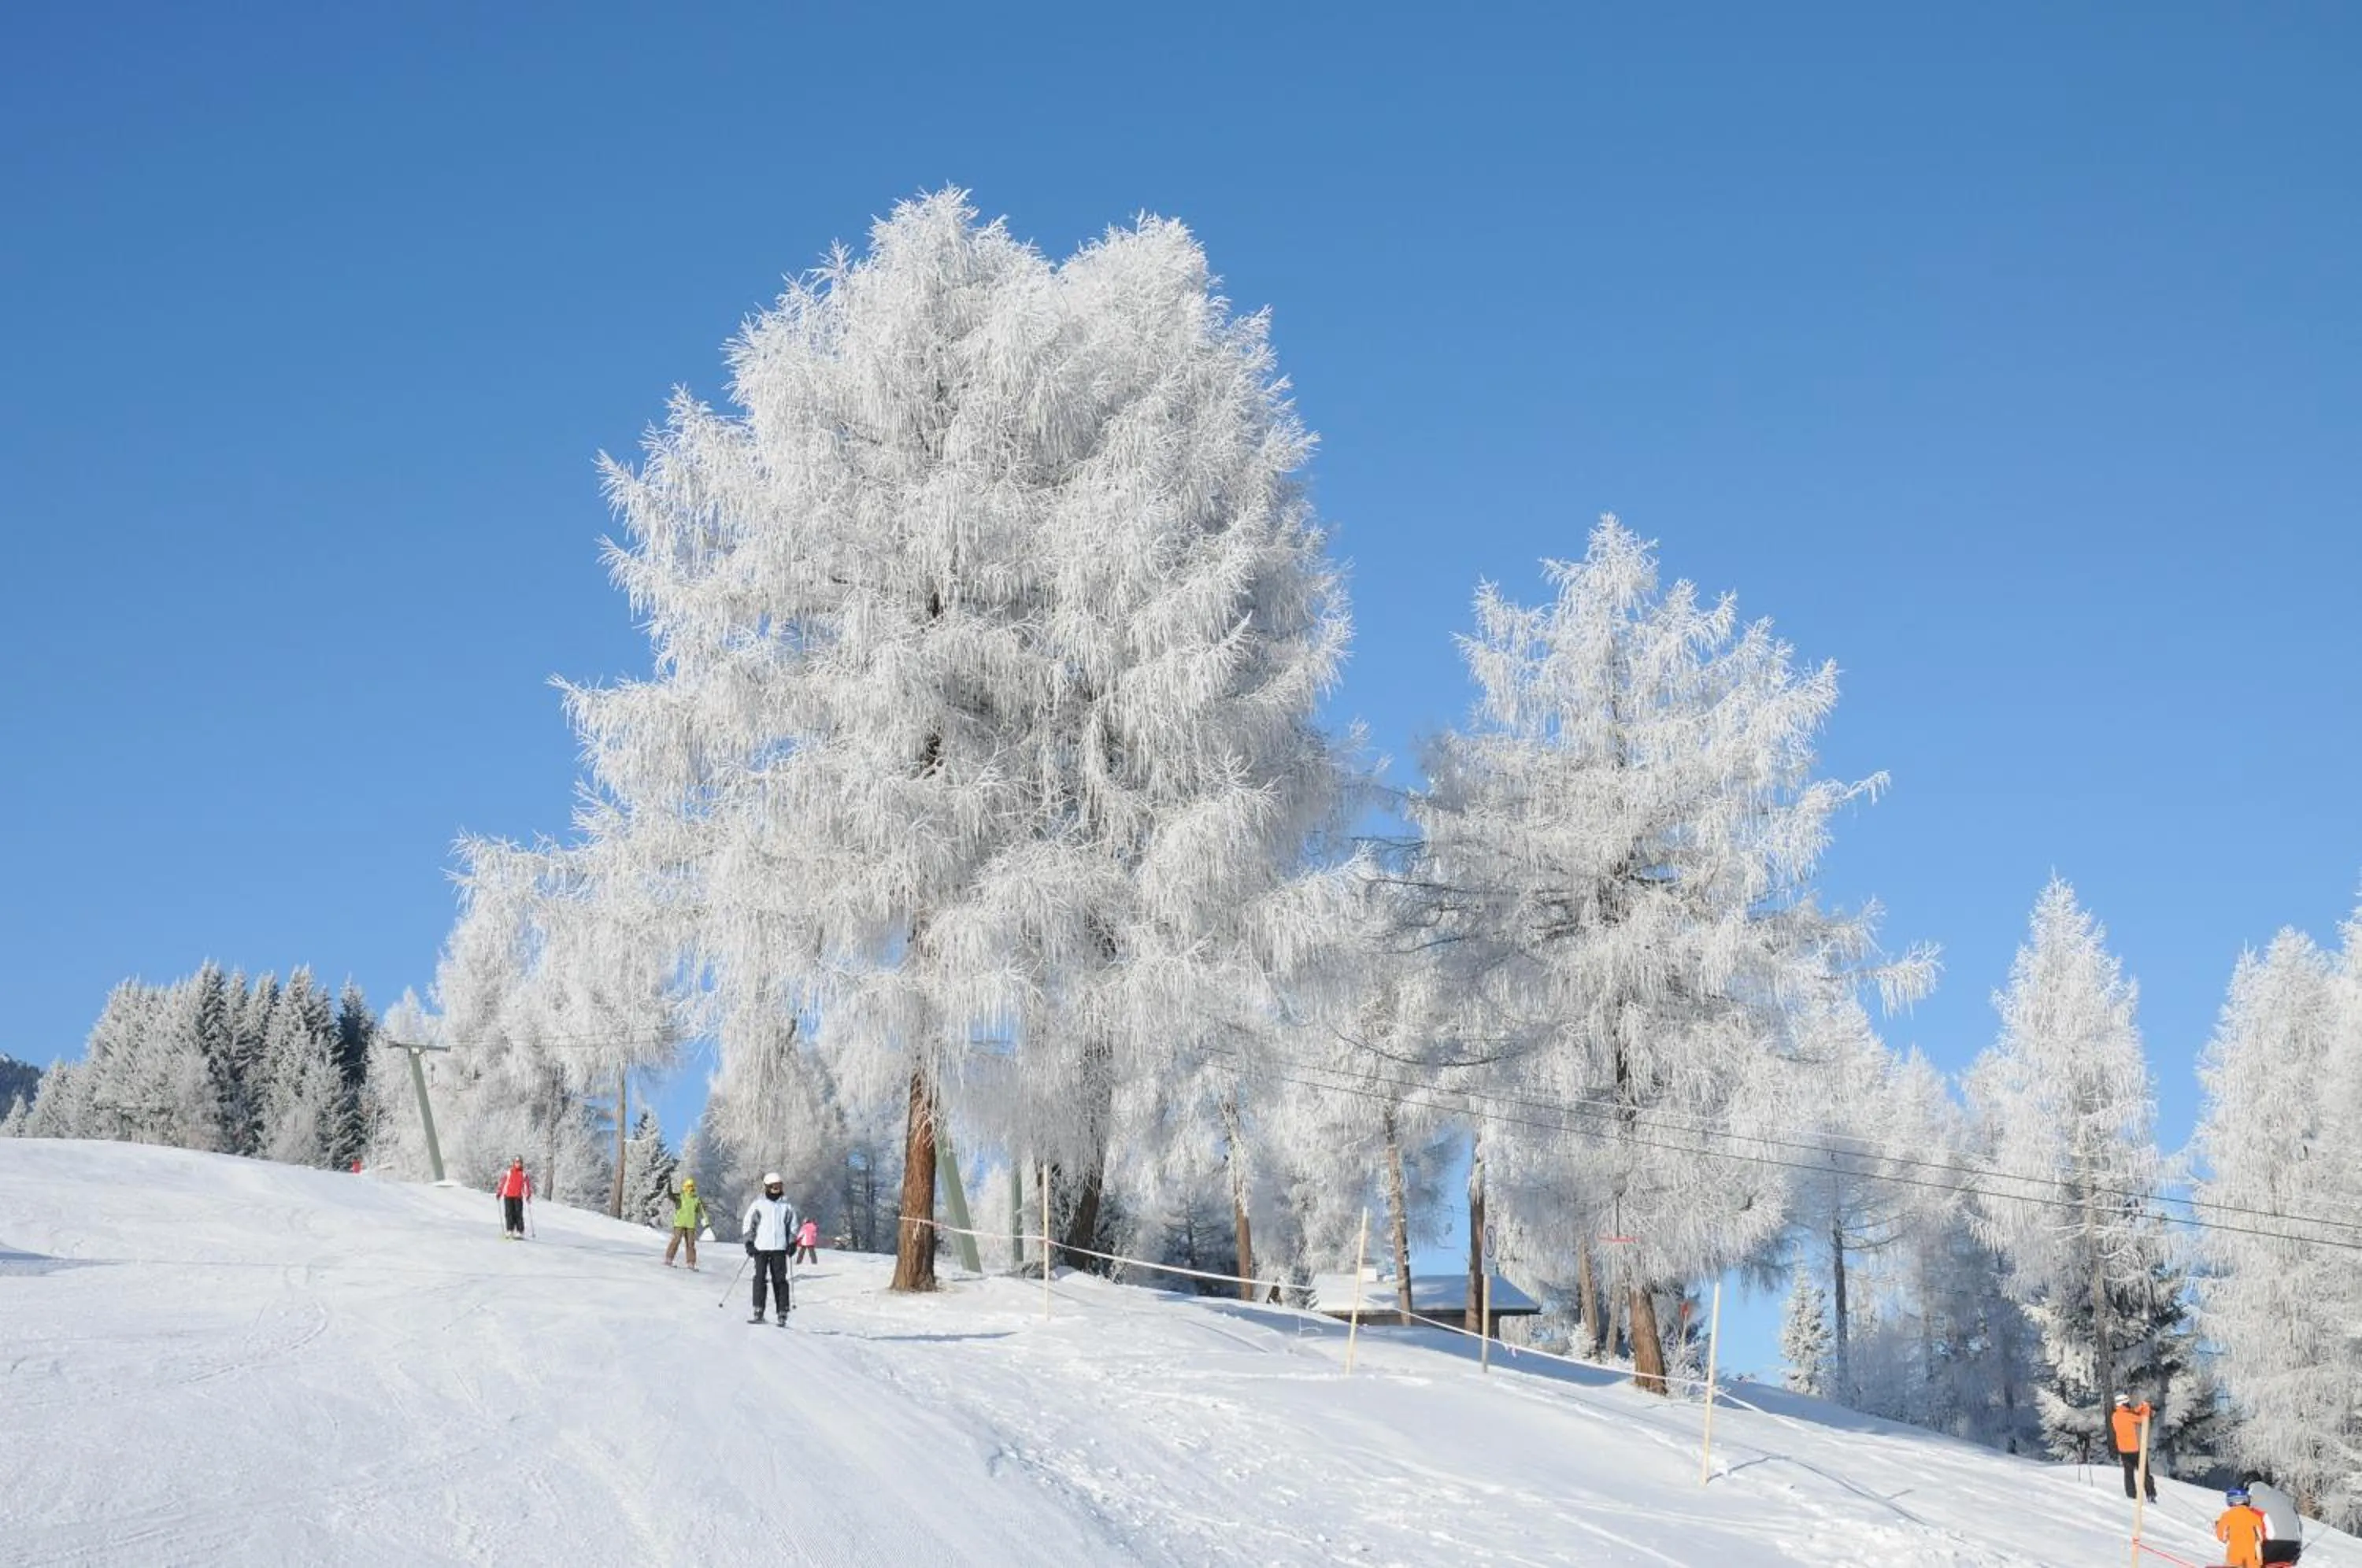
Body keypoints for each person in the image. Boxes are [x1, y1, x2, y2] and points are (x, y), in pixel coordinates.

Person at [742, 1173, 798, 1326]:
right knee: (760, 1278)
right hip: (760, 1248)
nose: (776, 1189)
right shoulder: (758, 1204)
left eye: (779, 1186)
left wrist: (792, 1243)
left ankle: (782, 1312)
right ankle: (758, 1310)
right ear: (767, 1187)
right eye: (773, 1186)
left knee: (780, 1280)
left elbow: (793, 1225)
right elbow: (748, 1223)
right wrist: (749, 1243)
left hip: (779, 1248)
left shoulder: (786, 1206)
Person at [2109, 1393, 2156, 1502]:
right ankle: (2151, 1494)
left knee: (2128, 1474)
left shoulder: (2115, 1416)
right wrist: (2147, 1409)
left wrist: (2141, 1407)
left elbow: (2131, 1412)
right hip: (2135, 1450)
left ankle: (2131, 1496)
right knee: (2144, 1472)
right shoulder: (2128, 1416)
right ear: (2124, 1403)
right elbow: (2143, 1420)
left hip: (2123, 1450)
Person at [2245, 1480, 2304, 1564]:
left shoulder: (2253, 1497)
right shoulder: (2282, 1497)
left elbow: (2246, 1522)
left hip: (2271, 1546)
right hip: (2294, 1546)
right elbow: (2299, 1524)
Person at [2216, 1487, 2271, 1568]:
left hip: (2235, 1560)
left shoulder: (2227, 1516)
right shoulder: (2255, 1517)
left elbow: (2222, 1538)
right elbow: (2260, 1538)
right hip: (2254, 1561)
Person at [664, 1178, 708, 1270]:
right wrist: (669, 1186)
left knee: (690, 1244)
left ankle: (691, 1263)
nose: (690, 1188)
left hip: (690, 1225)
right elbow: (670, 1195)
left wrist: (706, 1222)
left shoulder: (696, 1199)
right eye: (688, 1186)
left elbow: (702, 1211)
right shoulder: (680, 1196)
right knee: (676, 1240)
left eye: (692, 1186)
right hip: (679, 1223)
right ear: (684, 1187)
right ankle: (669, 1259)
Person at [496, 1158, 534, 1239]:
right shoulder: (509, 1173)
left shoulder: (523, 1174)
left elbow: (527, 1186)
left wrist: (528, 1195)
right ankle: (510, 1230)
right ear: (514, 1163)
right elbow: (503, 1183)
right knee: (509, 1213)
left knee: (518, 1214)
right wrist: (499, 1192)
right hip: (508, 1196)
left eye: (519, 1163)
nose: (518, 1164)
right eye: (517, 1162)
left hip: (518, 1196)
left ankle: (520, 1231)